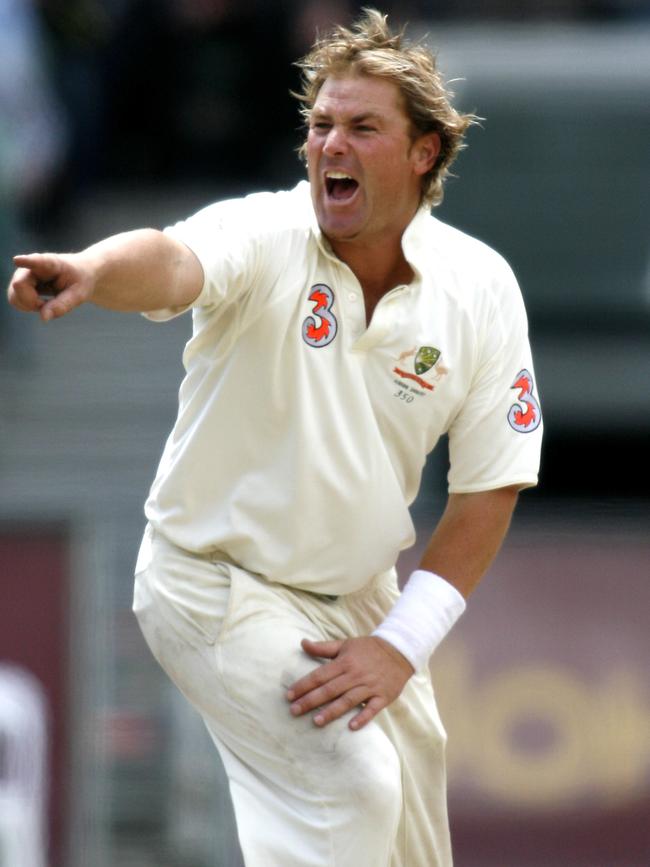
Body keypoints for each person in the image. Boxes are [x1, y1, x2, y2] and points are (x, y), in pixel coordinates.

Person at [6, 9, 543, 866]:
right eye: (321, 124)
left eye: (363, 127)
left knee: (411, 837)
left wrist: (401, 643)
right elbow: (173, 259)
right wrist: (93, 270)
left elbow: (490, 487)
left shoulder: (480, 286)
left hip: (355, 592)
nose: (332, 144)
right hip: (216, 578)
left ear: (424, 153)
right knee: (351, 785)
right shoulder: (267, 232)